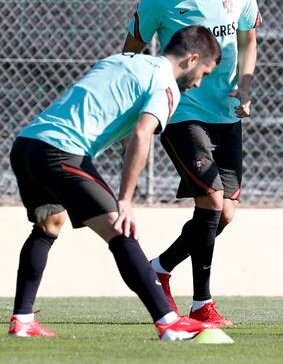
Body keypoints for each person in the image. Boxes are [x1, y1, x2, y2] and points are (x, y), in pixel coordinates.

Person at [8, 26, 221, 340]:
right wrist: (125, 201)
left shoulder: (122, 60)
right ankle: (168, 323)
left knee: (48, 225)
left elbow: (115, 117)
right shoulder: (166, 86)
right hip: (61, 152)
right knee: (121, 230)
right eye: (204, 72)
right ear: (191, 59)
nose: (199, 82)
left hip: (27, 145)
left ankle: (22, 321)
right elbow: (141, 133)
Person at [122, 0, 262, 326]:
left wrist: (247, 88)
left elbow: (248, 40)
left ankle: (160, 268)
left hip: (226, 111)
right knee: (211, 201)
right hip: (181, 111)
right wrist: (146, 95)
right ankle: (202, 304)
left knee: (226, 214)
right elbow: (131, 50)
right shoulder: (161, 1)